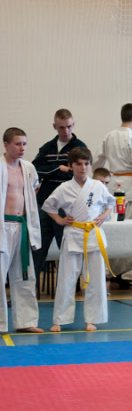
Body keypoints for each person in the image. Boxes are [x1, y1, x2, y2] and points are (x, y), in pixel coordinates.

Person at [43, 147, 115, 332]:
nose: (83, 167)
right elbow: (48, 206)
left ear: (90, 165)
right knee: (66, 279)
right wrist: (59, 220)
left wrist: (104, 215)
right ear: (71, 166)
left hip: (93, 234)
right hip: (73, 233)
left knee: (96, 279)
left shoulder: (98, 186)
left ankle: (92, 319)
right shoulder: (64, 188)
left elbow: (111, 202)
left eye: (86, 164)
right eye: (78, 164)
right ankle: (60, 319)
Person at [94, 103, 132, 289]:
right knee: (131, 230)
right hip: (131, 187)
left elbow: (98, 160)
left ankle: (110, 271)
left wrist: (94, 179)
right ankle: (127, 274)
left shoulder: (109, 136)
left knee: (111, 229)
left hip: (111, 185)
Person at [32, 109, 87, 293]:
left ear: (73, 125)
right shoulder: (47, 147)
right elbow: (35, 170)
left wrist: (57, 170)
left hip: (68, 206)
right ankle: (30, 291)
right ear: (54, 126)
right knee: (38, 248)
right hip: (44, 204)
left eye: (69, 126)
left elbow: (79, 174)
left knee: (68, 249)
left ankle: (70, 289)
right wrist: (57, 168)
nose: (66, 131)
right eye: (61, 127)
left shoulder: (79, 147)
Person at [0, 128, 43, 334]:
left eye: (24, 144)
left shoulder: (28, 168)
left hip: (22, 226)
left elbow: (33, 192)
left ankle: (26, 321)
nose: (22, 148)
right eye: (17, 144)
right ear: (6, 144)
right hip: (3, 226)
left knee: (25, 275)